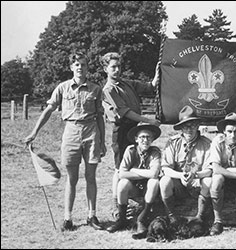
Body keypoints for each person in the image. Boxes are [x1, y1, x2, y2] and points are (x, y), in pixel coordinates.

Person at [24, 52, 106, 231]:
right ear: (71, 67)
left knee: (91, 177)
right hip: (71, 132)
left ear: (87, 67)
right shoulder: (62, 88)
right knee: (72, 178)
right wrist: (34, 133)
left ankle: (92, 215)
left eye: (83, 64)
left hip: (91, 132)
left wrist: (103, 141)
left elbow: (100, 117)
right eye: (76, 65)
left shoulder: (95, 89)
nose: (80, 67)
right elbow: (48, 110)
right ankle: (68, 218)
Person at [100, 52, 161, 218]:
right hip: (122, 130)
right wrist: (147, 120)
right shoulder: (108, 90)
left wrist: (158, 72)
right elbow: (125, 112)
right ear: (105, 69)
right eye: (113, 67)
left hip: (135, 128)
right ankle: (117, 206)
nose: (117, 70)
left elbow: (150, 86)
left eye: (119, 66)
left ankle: (136, 199)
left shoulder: (127, 83)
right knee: (119, 168)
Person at [106, 122, 162, 238]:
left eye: (148, 137)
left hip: (148, 190)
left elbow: (154, 174)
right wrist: (144, 174)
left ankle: (142, 218)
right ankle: (122, 219)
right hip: (134, 188)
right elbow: (122, 173)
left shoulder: (155, 152)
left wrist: (134, 170)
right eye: (142, 137)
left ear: (152, 139)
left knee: (154, 181)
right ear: (136, 139)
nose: (145, 140)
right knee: (122, 183)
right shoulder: (130, 150)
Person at [159, 105, 212, 221]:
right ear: (181, 128)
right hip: (178, 183)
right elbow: (165, 168)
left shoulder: (207, 144)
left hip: (197, 183)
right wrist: (180, 175)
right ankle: (171, 216)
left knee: (209, 181)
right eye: (185, 126)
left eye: (192, 125)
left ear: (198, 126)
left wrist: (196, 175)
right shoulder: (173, 143)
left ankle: (200, 217)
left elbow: (210, 170)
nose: (189, 129)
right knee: (164, 181)